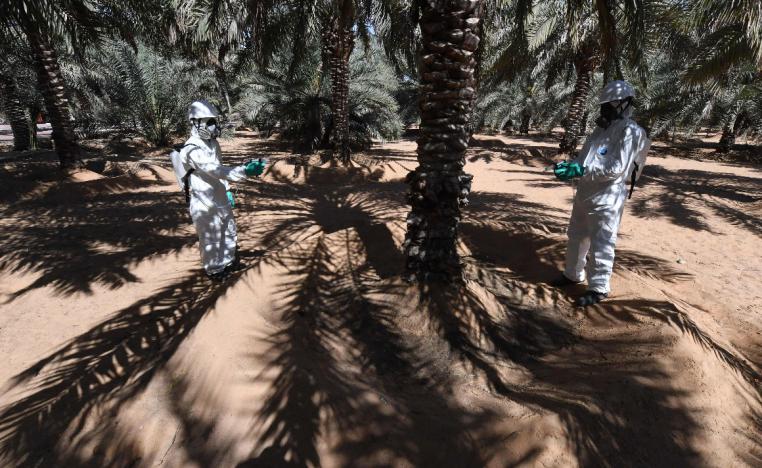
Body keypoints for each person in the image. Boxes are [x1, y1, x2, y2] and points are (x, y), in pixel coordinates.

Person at [552, 80, 651, 306]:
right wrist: (570, 167)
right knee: (576, 235)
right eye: (604, 104)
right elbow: (584, 159)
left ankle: (598, 288)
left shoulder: (631, 131)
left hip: (607, 196)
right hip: (585, 191)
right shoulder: (599, 130)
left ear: (625, 103)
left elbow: (617, 168)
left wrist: (582, 169)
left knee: (602, 241)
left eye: (611, 103)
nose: (606, 108)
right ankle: (572, 274)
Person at [179, 100, 266, 280]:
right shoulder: (190, 149)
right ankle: (215, 271)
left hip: (219, 195)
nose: (213, 126)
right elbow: (213, 169)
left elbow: (220, 167)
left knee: (228, 229)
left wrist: (227, 189)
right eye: (208, 122)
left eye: (214, 121)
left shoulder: (213, 144)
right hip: (203, 201)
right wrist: (244, 170)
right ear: (196, 123)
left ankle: (227, 262)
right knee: (211, 236)